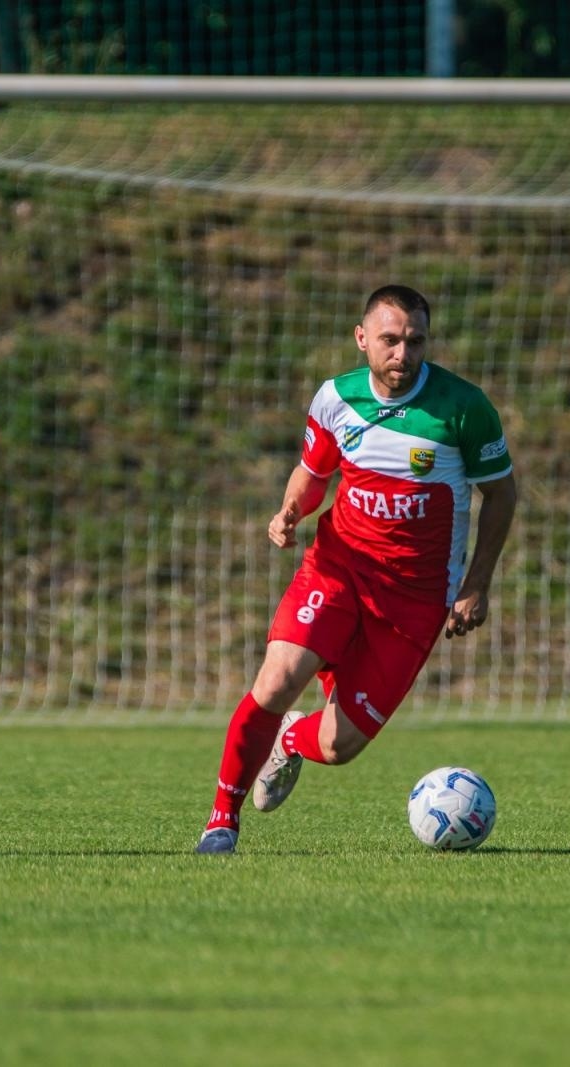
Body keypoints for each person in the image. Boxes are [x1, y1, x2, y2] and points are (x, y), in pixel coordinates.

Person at [195, 284, 517, 854]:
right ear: (362, 338)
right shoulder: (335, 398)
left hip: (415, 602)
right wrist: (292, 508)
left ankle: (288, 740)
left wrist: (477, 584)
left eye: (415, 341)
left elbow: (503, 494)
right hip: (337, 568)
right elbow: (314, 471)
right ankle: (222, 821)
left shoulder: (463, 409)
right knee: (274, 679)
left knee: (340, 748)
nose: (403, 354)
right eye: (390, 340)